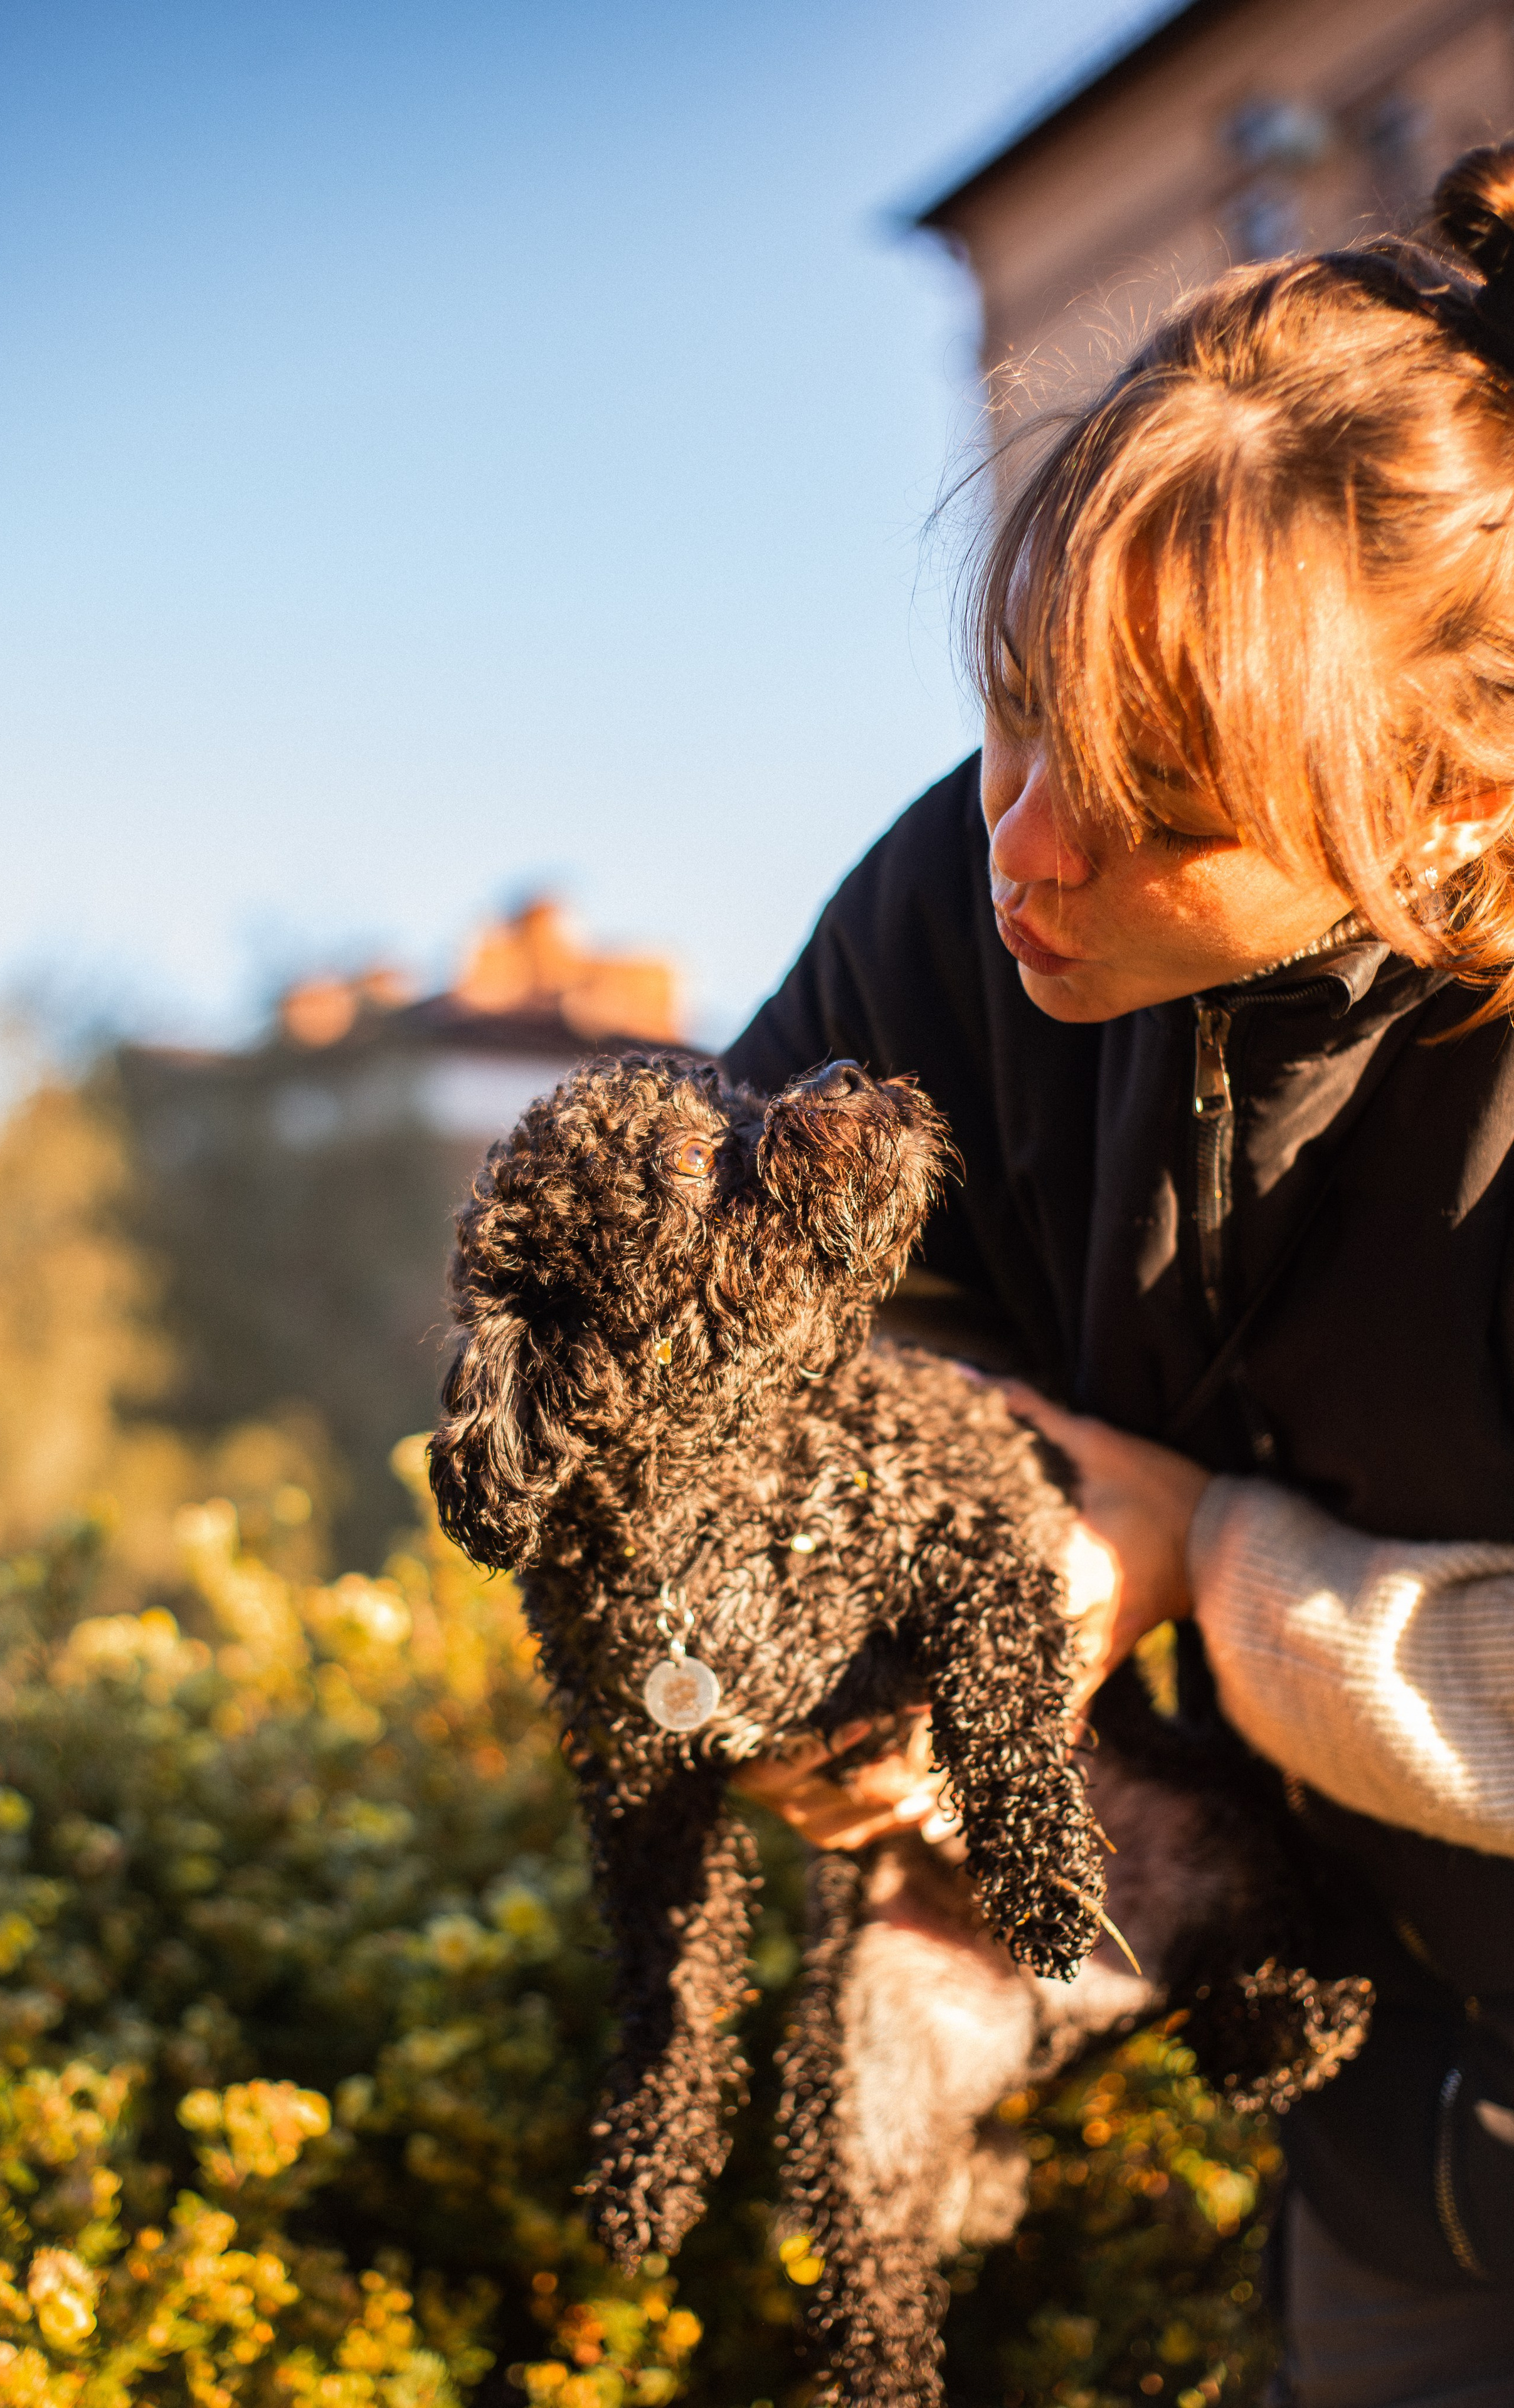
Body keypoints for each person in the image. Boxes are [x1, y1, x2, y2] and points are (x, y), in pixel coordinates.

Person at [724, 143, 1514, 2407]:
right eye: (1018, 698)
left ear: (1460, 801)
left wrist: (1198, 1566)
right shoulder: (978, 905)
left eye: (1168, 796)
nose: (1028, 844)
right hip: (1393, 2114)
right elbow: (707, 1290)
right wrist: (929, 1563)